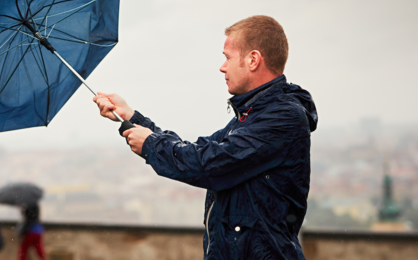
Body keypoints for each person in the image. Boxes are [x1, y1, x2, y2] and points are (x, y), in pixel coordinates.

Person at [94, 15, 317, 259]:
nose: (222, 67)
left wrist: (150, 145)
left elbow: (210, 164)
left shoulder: (282, 117)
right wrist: (133, 117)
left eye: (227, 57)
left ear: (253, 60)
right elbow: (199, 150)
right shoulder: (251, 116)